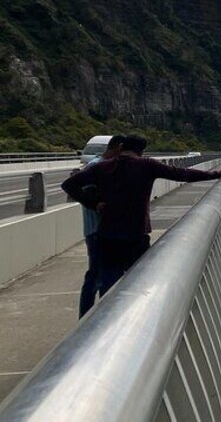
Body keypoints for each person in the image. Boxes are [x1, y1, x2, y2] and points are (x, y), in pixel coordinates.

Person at [62, 135, 221, 298]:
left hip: (107, 236)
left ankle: (103, 322)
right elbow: (182, 174)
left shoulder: (102, 167)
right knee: (137, 286)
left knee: (108, 286)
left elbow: (69, 185)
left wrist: (94, 203)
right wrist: (215, 174)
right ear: (141, 151)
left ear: (121, 147)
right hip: (136, 235)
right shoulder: (146, 165)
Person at [76, 134, 124, 317]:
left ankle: (91, 318)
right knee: (97, 277)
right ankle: (88, 319)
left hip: (99, 230)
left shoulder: (100, 165)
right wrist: (99, 205)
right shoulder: (97, 167)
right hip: (97, 230)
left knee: (100, 276)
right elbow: (82, 191)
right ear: (118, 148)